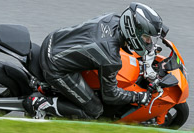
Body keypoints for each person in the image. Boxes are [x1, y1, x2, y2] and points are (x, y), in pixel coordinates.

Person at [23, 2, 163, 119]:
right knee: (94, 110)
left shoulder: (112, 18)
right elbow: (110, 96)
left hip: (54, 40)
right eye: (147, 38)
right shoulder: (110, 58)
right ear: (134, 31)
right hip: (55, 67)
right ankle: (39, 104)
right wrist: (138, 97)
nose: (149, 42)